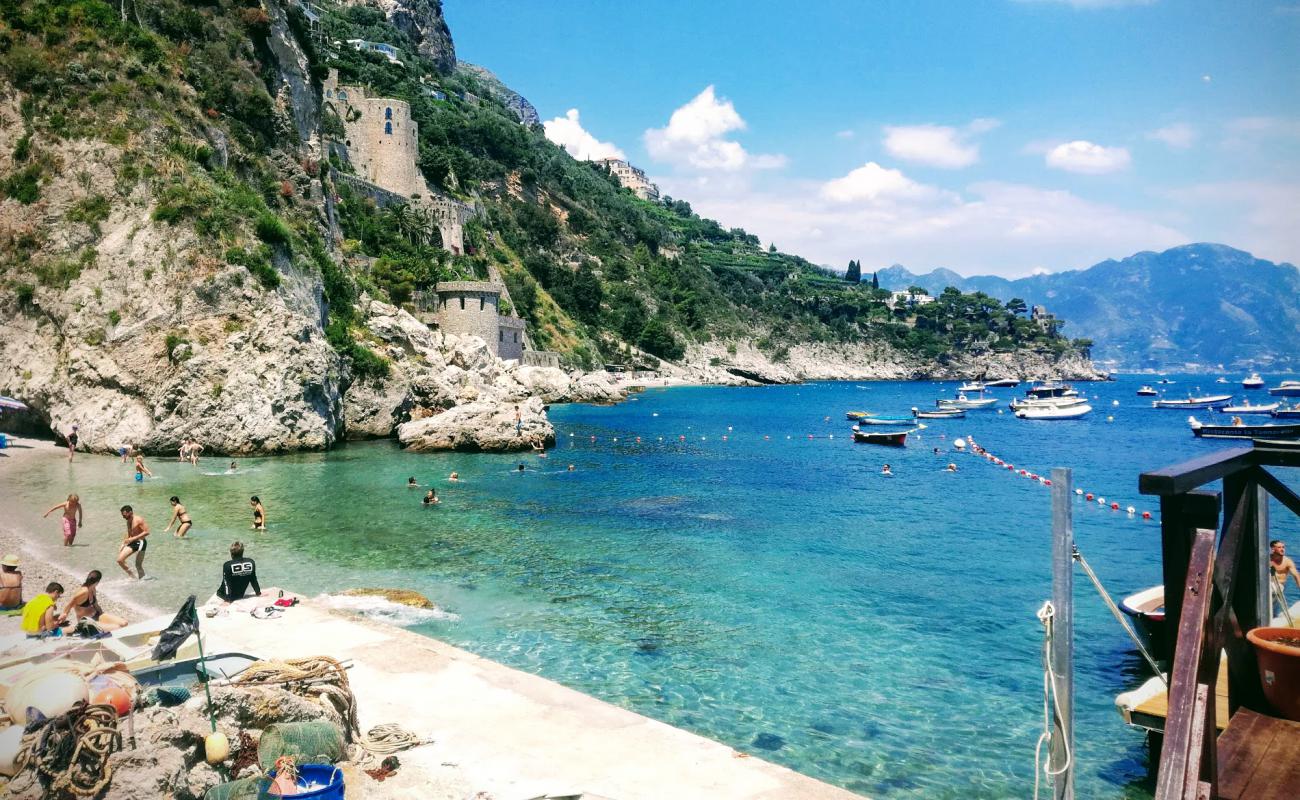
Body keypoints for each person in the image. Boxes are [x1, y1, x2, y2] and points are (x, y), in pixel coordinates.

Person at [58, 570, 127, 631]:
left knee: (124, 623)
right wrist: (64, 614)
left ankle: (101, 626)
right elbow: (70, 604)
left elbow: (96, 604)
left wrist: (103, 615)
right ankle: (83, 630)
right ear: (98, 581)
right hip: (86, 621)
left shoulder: (93, 588)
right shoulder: (83, 592)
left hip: (97, 615)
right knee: (117, 627)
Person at [116, 505, 149, 580]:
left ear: (130, 512)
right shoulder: (128, 521)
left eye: (124, 515)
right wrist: (123, 543)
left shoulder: (139, 519)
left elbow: (147, 532)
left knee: (138, 565)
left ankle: (143, 580)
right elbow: (129, 533)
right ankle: (133, 577)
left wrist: (134, 538)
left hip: (141, 542)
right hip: (133, 542)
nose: (123, 517)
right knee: (120, 560)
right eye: (122, 515)